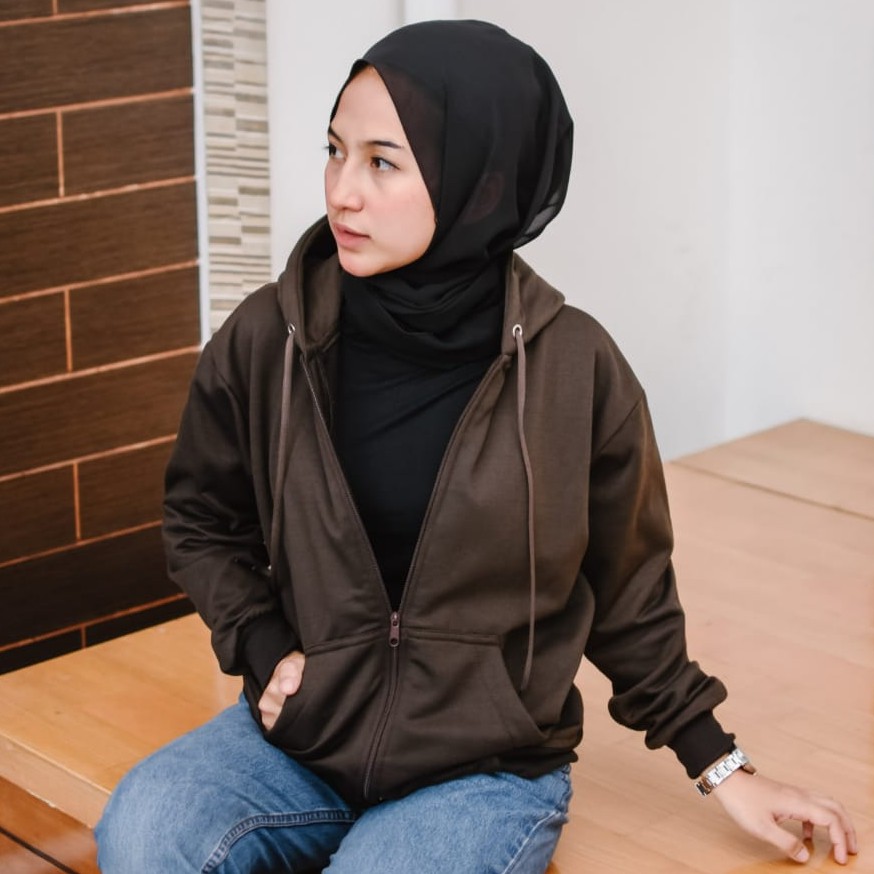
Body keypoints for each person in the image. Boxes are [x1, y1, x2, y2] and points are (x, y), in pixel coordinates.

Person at [95, 19, 857, 873]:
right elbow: (201, 517)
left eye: (382, 163)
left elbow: (629, 592)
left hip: (481, 769)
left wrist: (721, 765)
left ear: (482, 182)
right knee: (143, 832)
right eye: (335, 151)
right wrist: (262, 643)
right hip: (304, 737)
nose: (342, 191)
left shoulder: (576, 368)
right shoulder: (270, 337)